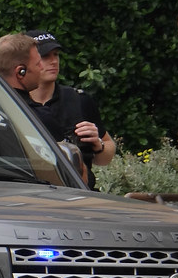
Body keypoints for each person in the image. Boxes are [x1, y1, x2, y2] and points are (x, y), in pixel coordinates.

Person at [24, 29, 115, 189]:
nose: (53, 61)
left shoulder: (79, 99)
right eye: (45, 56)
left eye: (56, 55)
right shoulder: (13, 102)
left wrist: (98, 145)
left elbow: (106, 155)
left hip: (80, 195)